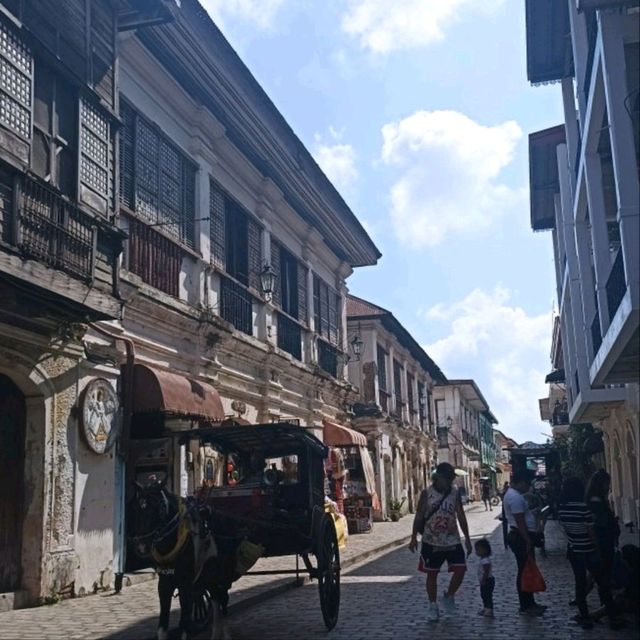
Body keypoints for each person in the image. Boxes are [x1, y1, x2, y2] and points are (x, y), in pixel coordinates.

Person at [409, 462, 473, 623]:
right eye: (448, 479)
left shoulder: (454, 493)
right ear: (438, 478)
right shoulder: (426, 494)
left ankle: (449, 596)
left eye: (451, 479)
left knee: (460, 570)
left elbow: (461, 515)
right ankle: (432, 605)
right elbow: (419, 516)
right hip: (432, 539)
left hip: (452, 539)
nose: (450, 482)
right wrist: (413, 537)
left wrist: (467, 538)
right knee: (432, 574)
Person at [558, 477, 619, 629]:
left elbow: (564, 529)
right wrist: (596, 545)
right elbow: (590, 530)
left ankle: (584, 615)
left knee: (580, 583)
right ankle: (611, 616)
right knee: (603, 583)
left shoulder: (562, 508)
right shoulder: (583, 507)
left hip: (574, 549)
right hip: (589, 549)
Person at [584, 469, 625, 630]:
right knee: (605, 582)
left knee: (602, 581)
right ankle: (610, 615)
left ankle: (607, 612)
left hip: (604, 545)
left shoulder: (595, 500)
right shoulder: (596, 502)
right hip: (603, 546)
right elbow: (598, 525)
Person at [503, 469, 546, 616]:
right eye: (527, 484)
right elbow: (519, 520)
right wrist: (527, 539)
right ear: (521, 482)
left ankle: (529, 602)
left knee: (526, 569)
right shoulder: (515, 497)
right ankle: (526, 605)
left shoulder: (514, 495)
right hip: (521, 537)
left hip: (520, 535)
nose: (528, 487)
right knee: (524, 570)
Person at [475, 538, 495, 617]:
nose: (476, 552)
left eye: (477, 550)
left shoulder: (485, 560)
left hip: (487, 580)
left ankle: (488, 609)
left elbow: (486, 570)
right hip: (486, 580)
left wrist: (484, 579)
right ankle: (487, 608)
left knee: (486, 595)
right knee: (484, 595)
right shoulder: (483, 559)